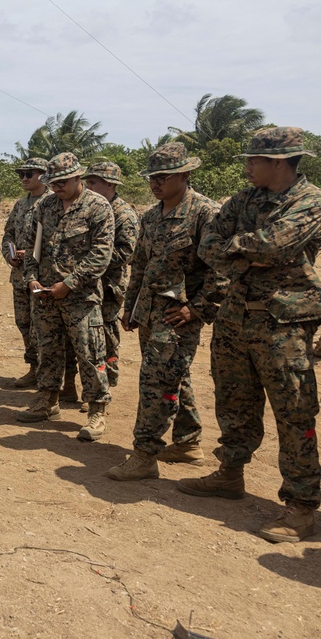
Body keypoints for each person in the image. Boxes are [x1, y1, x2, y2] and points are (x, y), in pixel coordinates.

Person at [179, 127, 321, 543]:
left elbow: (274, 246)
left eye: (253, 160)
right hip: (235, 317)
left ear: (279, 162)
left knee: (294, 412)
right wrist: (246, 253)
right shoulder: (244, 200)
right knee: (234, 399)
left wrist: (237, 251)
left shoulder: (311, 201)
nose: (246, 167)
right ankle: (230, 473)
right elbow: (207, 243)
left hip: (284, 324)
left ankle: (301, 506)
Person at [107, 143, 224, 481]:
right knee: (174, 375)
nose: (155, 183)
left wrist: (198, 309)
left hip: (178, 315)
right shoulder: (151, 216)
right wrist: (130, 308)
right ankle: (188, 442)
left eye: (162, 176)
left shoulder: (206, 213)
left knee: (156, 381)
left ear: (185, 175)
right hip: (151, 312)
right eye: (151, 177)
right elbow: (140, 267)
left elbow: (223, 270)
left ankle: (145, 454)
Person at [20, 153, 114, 440]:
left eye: (62, 181)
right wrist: (32, 278)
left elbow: (101, 254)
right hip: (45, 295)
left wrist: (70, 283)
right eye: (53, 182)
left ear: (77, 178)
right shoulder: (44, 206)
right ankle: (47, 401)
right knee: (47, 350)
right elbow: (29, 245)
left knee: (90, 354)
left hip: (80, 298)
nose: (57, 187)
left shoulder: (97, 207)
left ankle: (97, 410)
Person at [81, 162, 139, 402]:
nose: (88, 186)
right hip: (87, 282)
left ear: (110, 184)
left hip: (108, 284)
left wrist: (93, 258)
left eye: (93, 182)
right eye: (88, 181)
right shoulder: (89, 208)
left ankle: (108, 381)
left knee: (105, 332)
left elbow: (127, 252)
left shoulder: (123, 213)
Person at [3, 158, 51, 387]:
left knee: (42, 327)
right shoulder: (20, 205)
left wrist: (32, 254)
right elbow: (8, 235)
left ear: (43, 175)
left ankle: (49, 374)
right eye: (21, 174)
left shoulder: (53, 202)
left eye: (28, 173)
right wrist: (10, 255)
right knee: (23, 323)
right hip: (19, 276)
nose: (24, 178)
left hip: (43, 277)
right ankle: (34, 368)